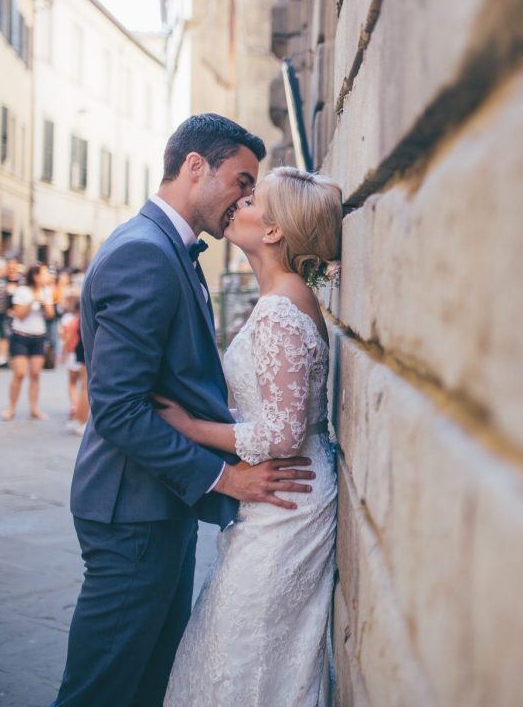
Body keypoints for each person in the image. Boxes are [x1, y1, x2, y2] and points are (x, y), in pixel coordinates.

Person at [53, 114, 316, 707]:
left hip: (159, 505)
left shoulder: (170, 249)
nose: (247, 198)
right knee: (99, 690)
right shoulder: (144, 253)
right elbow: (118, 409)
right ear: (195, 166)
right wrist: (228, 477)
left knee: (148, 683)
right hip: (131, 513)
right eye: (242, 181)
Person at [156, 168, 341, 706]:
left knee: (246, 644)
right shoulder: (283, 299)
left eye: (253, 198)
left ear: (275, 230)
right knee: (249, 645)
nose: (240, 201)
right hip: (288, 488)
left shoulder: (281, 308)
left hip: (287, 493)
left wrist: (191, 428)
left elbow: (282, 431)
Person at [1, 262, 55, 421]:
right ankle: (11, 408)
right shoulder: (22, 291)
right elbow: (19, 315)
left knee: (35, 374)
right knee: (19, 373)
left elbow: (50, 315)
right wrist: (32, 301)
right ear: (36, 275)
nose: (47, 276)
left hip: (38, 336)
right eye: (44, 273)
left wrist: (45, 303)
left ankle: (34, 408)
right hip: (21, 336)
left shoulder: (46, 291)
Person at [59, 293, 88, 435]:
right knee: (85, 387)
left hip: (78, 351)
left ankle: (78, 417)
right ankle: (82, 420)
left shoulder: (76, 319)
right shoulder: (79, 320)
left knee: (81, 386)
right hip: (82, 350)